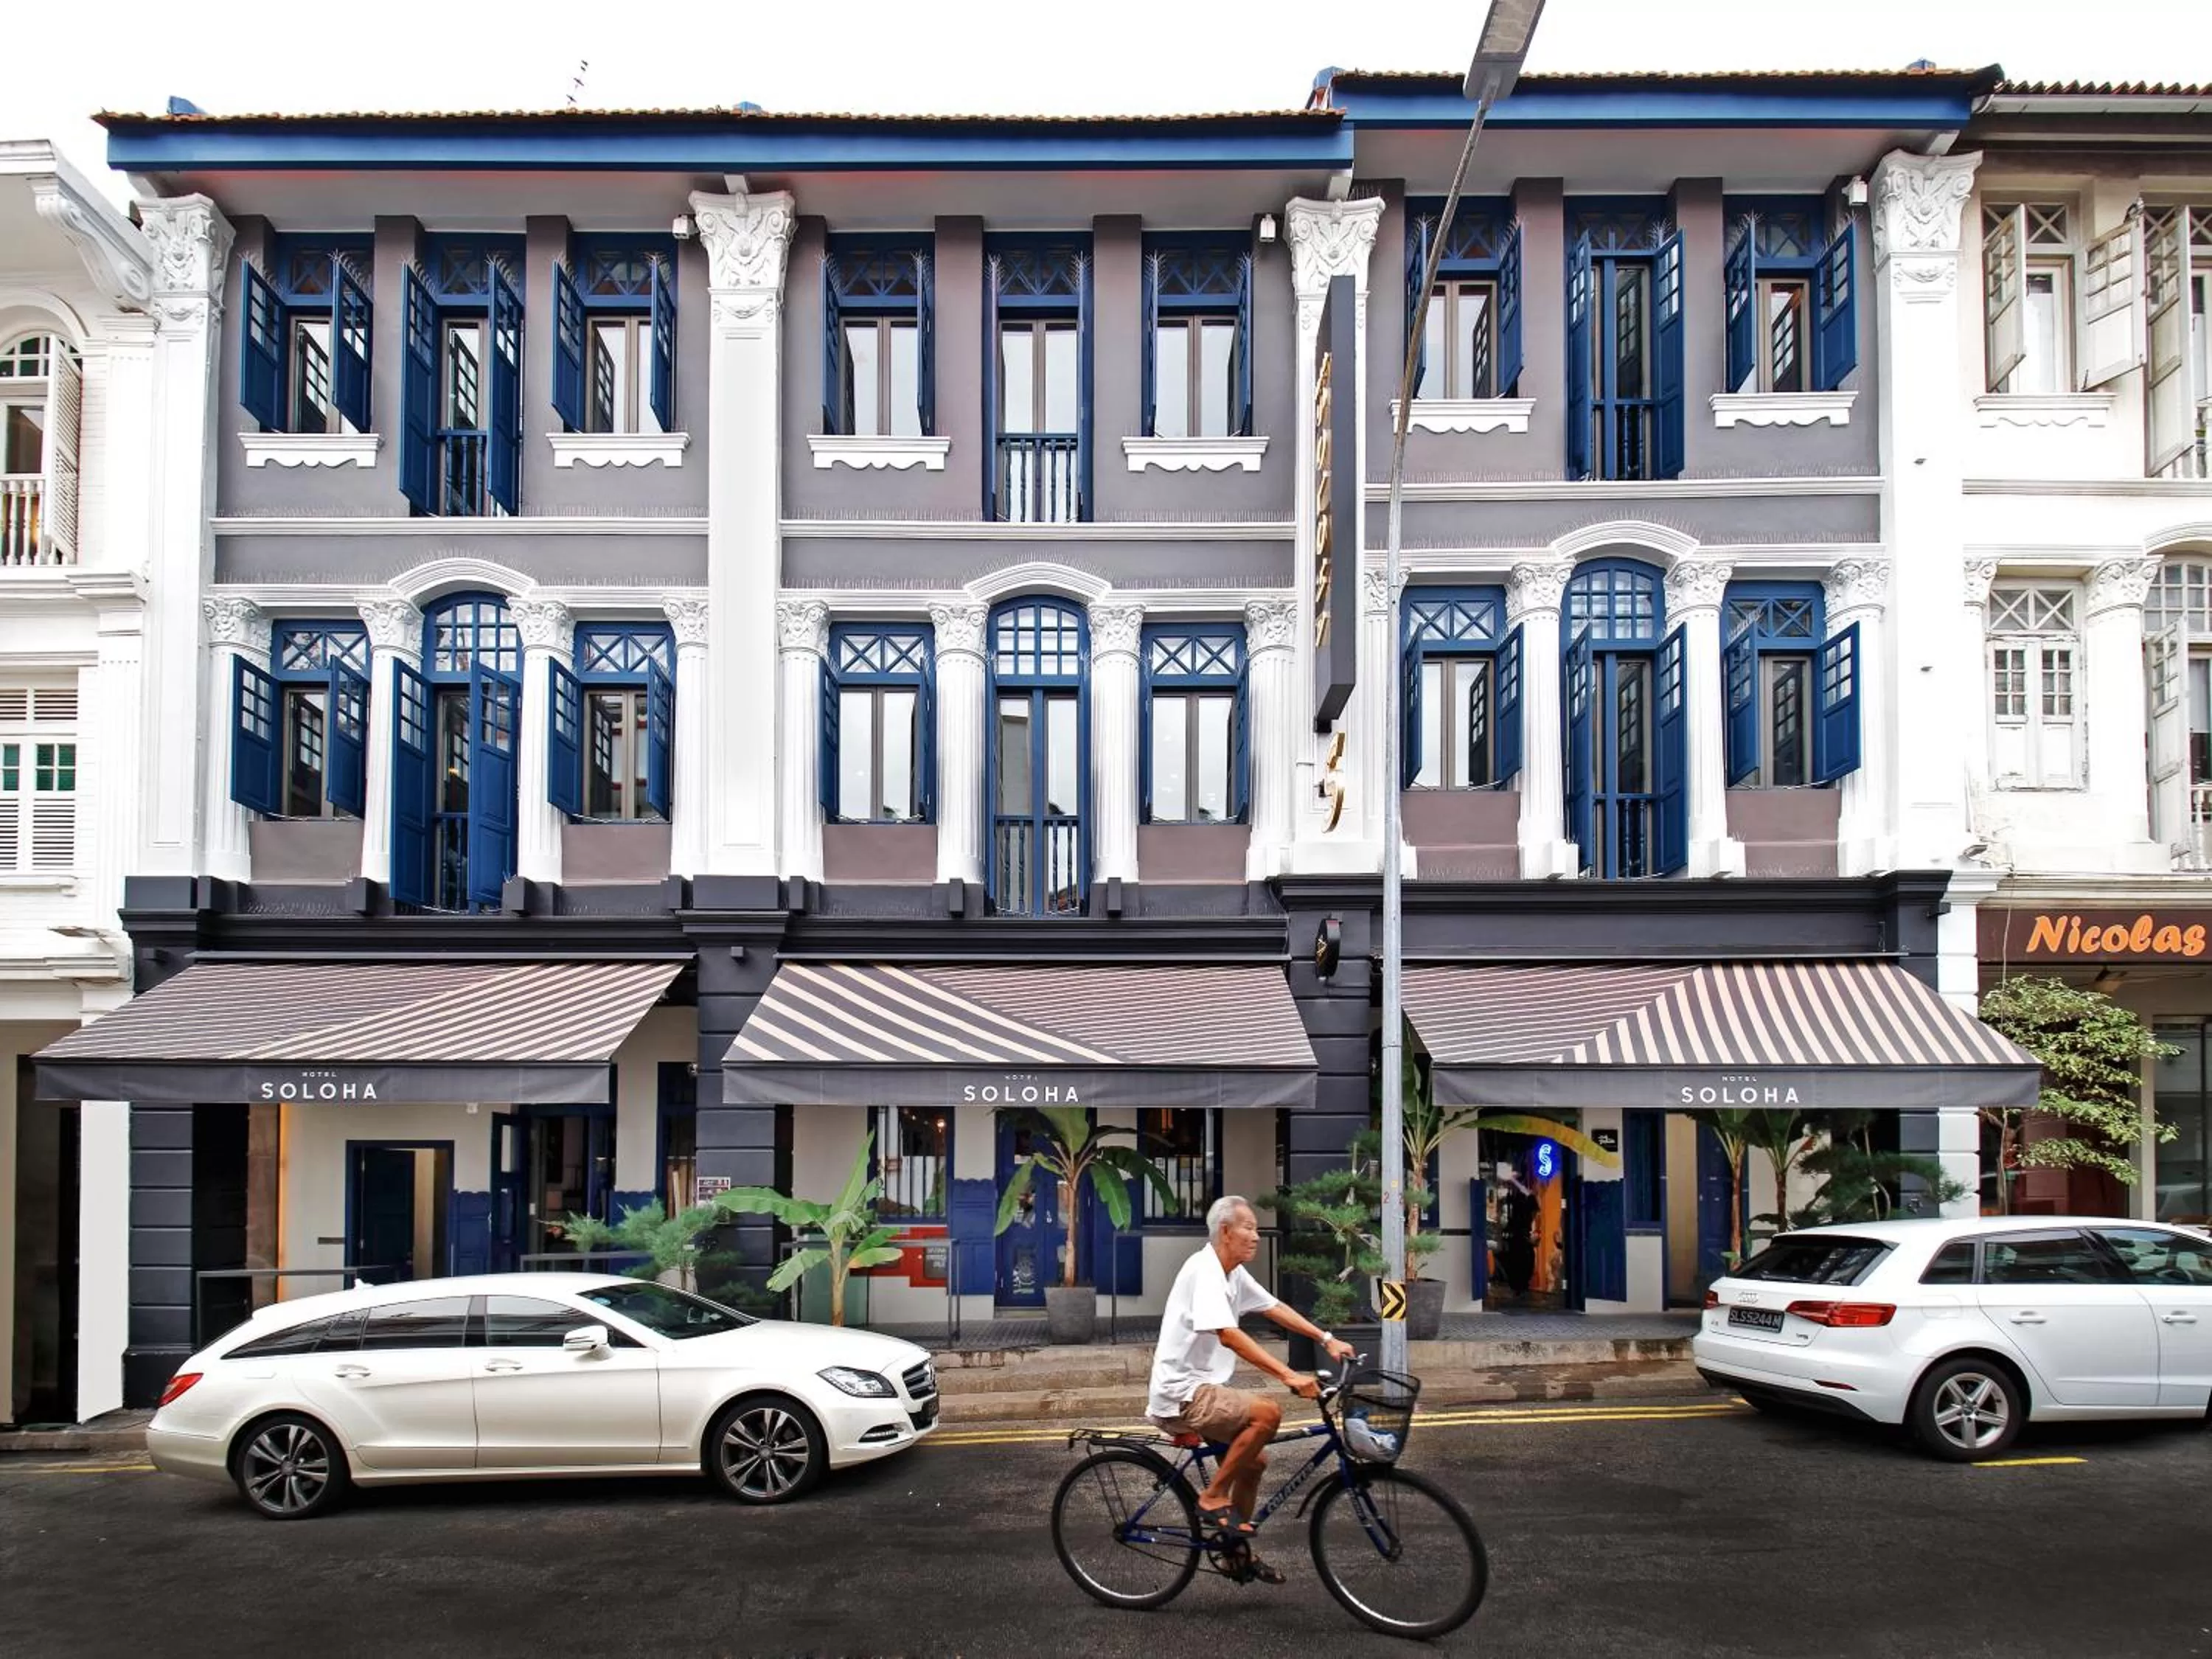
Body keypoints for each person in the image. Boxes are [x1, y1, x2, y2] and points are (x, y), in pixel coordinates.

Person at [1147, 1194, 1355, 1583]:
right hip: (1183, 1392)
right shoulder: (1205, 1270)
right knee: (1267, 1413)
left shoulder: (1232, 1273)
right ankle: (1212, 1498)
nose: (1256, 1237)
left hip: (1203, 1387)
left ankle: (1234, 1554)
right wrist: (1289, 1375)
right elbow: (1228, 1335)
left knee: (1254, 1462)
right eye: (1249, 1228)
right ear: (1225, 1232)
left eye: (1257, 1229)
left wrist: (1325, 1338)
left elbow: (1274, 1307)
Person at [1495, 1172, 1537, 1301]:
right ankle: (1519, 1287)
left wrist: (1513, 1181)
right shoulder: (1515, 1200)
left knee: (1520, 1261)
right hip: (1517, 1237)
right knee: (1517, 1261)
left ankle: (1519, 1287)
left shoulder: (1523, 1199)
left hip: (1519, 1237)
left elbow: (1528, 1196)